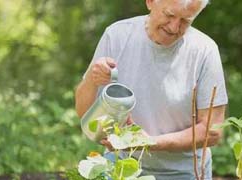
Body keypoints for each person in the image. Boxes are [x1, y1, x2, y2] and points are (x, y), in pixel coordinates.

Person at [74, 0, 228, 179]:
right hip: (120, 167)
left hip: (185, 172)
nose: (174, 27)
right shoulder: (117, 36)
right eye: (169, 15)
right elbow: (83, 112)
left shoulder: (204, 51)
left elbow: (213, 131)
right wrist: (93, 80)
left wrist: (150, 142)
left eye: (186, 21)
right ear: (150, 2)